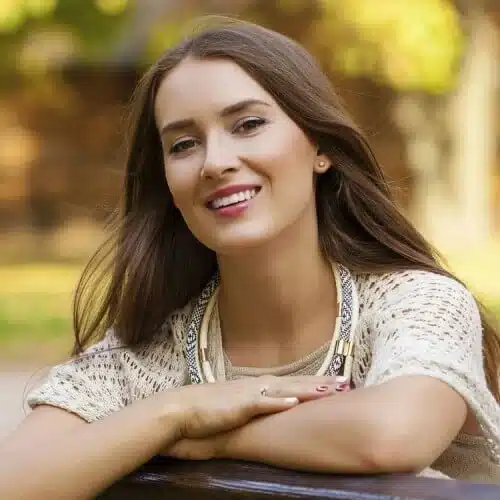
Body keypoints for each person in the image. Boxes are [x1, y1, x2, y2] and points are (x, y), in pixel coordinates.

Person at [1, 17, 499, 498]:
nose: (215, 162)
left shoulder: (415, 303)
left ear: (319, 145)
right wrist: (177, 412)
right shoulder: (152, 354)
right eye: (184, 144)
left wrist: (214, 436)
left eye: (248, 124)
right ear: (168, 184)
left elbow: (393, 434)